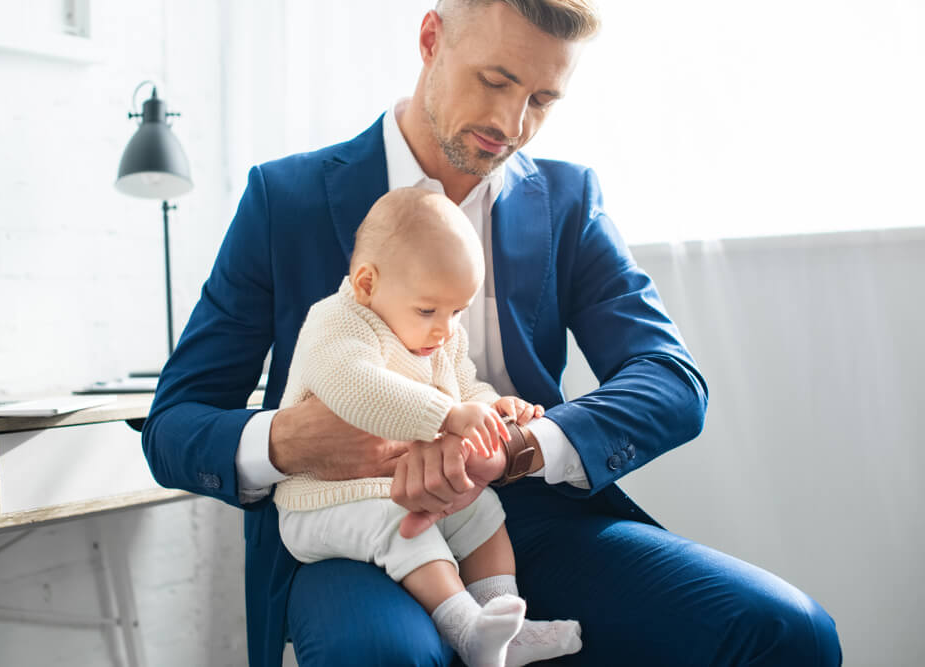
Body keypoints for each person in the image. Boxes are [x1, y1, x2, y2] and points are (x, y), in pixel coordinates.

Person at [142, 0, 844, 664]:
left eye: (541, 100)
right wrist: (291, 439)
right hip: (349, 525)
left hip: (522, 515)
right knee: (383, 654)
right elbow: (173, 423)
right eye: (497, 80)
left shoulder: (569, 201)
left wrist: (515, 449)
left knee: (790, 631)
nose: (512, 122)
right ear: (430, 40)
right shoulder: (284, 198)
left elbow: (673, 380)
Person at [274, 186, 581, 666]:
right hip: (320, 504)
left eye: (457, 311)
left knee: (482, 511)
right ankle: (467, 629)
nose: (444, 328)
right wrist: (447, 415)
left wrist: (495, 409)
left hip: (393, 487)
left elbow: (465, 388)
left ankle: (501, 621)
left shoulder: (441, 337)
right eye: (428, 311)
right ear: (367, 284)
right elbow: (357, 388)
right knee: (400, 525)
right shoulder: (335, 322)